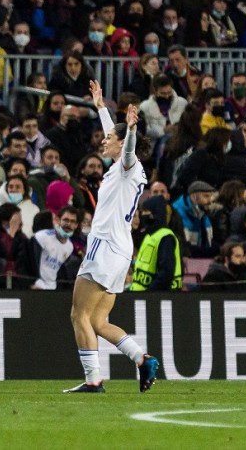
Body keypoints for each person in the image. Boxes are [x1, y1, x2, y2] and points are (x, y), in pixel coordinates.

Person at [66, 80, 157, 394]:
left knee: (79, 315)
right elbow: (119, 143)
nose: (103, 142)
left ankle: (93, 380)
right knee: (99, 321)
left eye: (109, 139)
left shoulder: (128, 166)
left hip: (104, 247)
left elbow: (127, 148)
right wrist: (101, 107)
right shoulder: (125, 169)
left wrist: (130, 130)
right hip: (120, 251)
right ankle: (141, 359)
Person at [129, 195, 183, 291]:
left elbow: (166, 273)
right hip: (140, 298)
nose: (143, 215)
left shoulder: (166, 237)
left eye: (146, 211)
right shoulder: (149, 236)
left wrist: (150, 294)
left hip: (158, 300)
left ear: (156, 213)